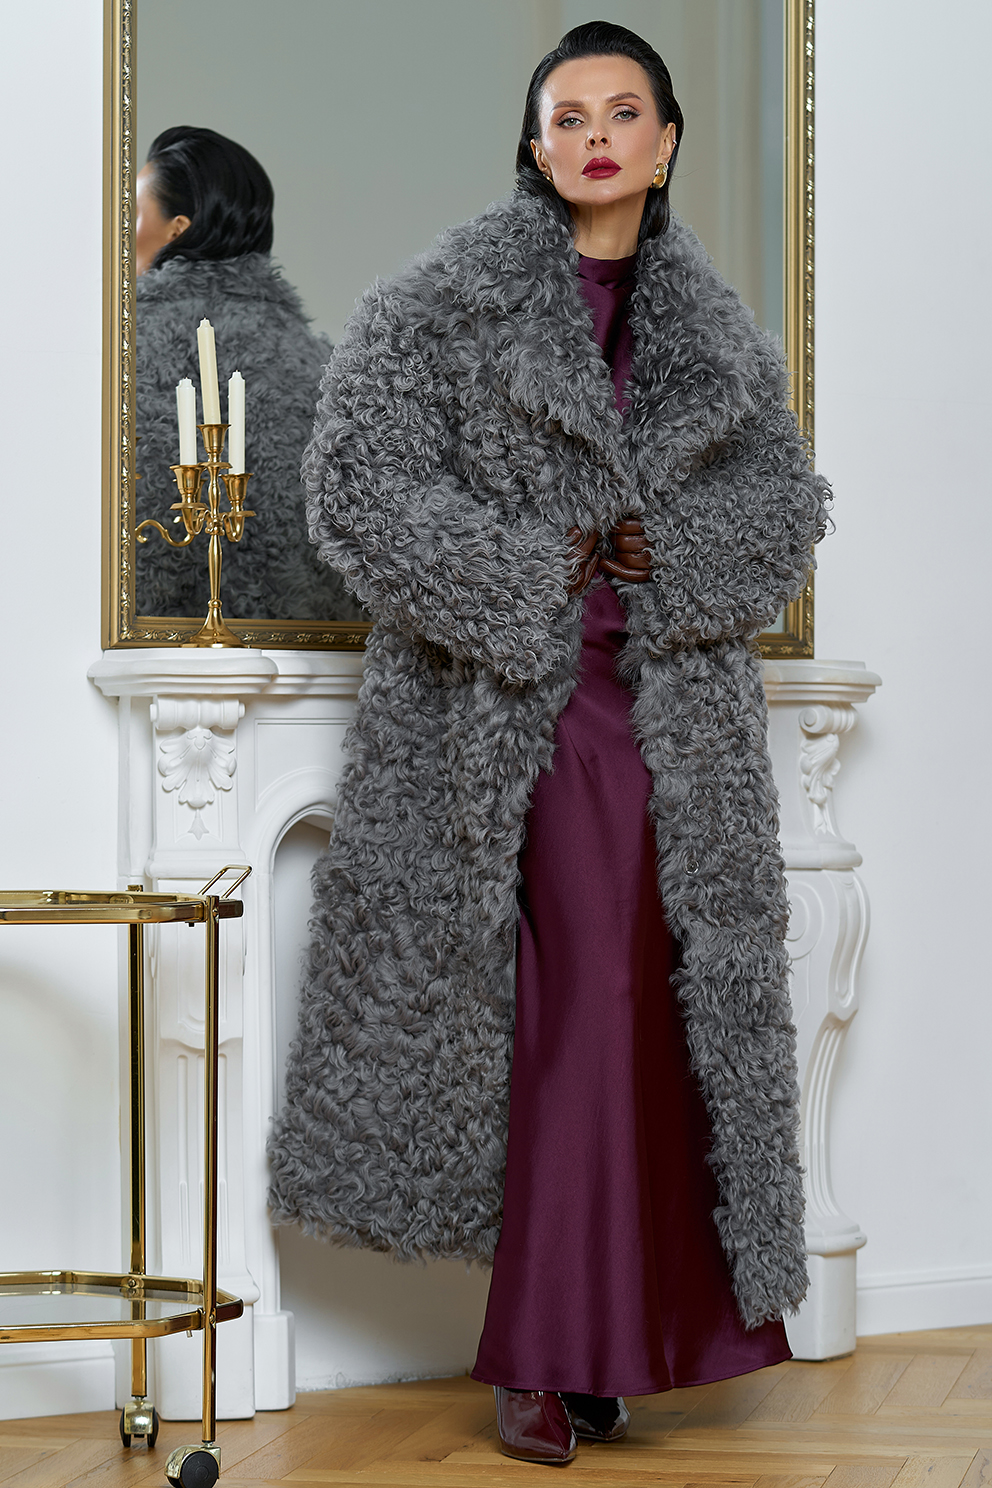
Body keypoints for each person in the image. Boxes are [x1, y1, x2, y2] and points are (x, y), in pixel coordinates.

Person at [269, 21, 829, 1468]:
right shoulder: (441, 305)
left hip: (671, 718)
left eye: (619, 112)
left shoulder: (717, 338)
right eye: (565, 115)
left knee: (648, 1017)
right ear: (533, 145)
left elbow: (783, 509)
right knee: (577, 1008)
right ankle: (533, 1351)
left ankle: (605, 1348)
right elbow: (355, 484)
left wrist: (677, 551)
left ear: (664, 142)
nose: (591, 136)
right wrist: (524, 568)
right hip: (505, 706)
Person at [133, 125, 363, 623]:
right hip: (319, 651)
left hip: (152, 650)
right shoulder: (326, 367)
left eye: (132, 212)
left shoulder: (125, 354)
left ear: (177, 229)